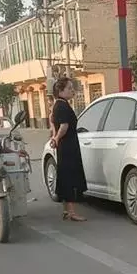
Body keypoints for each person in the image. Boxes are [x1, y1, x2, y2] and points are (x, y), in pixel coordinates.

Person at [50, 77, 87, 222]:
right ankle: (71, 212)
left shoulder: (58, 105)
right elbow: (64, 126)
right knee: (70, 177)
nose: (73, 91)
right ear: (60, 91)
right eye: (69, 88)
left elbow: (53, 123)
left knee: (64, 176)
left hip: (64, 146)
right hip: (68, 146)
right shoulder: (63, 106)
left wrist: (55, 138)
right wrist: (57, 138)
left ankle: (66, 210)